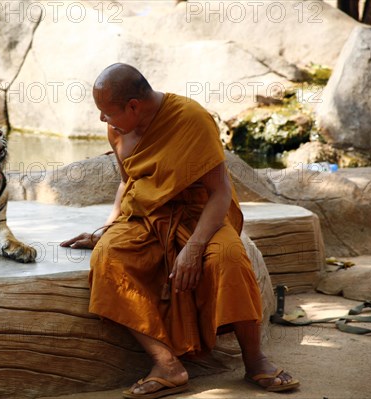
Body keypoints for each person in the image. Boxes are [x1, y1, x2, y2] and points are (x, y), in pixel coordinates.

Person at [61, 63, 299, 398]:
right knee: (107, 258)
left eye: (106, 112)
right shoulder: (119, 129)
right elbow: (127, 181)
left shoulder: (191, 118)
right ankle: (167, 365)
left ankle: (255, 358)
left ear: (133, 106)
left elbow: (220, 193)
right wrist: (109, 226)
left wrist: (194, 247)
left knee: (229, 257)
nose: (103, 120)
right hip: (146, 214)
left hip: (200, 213)